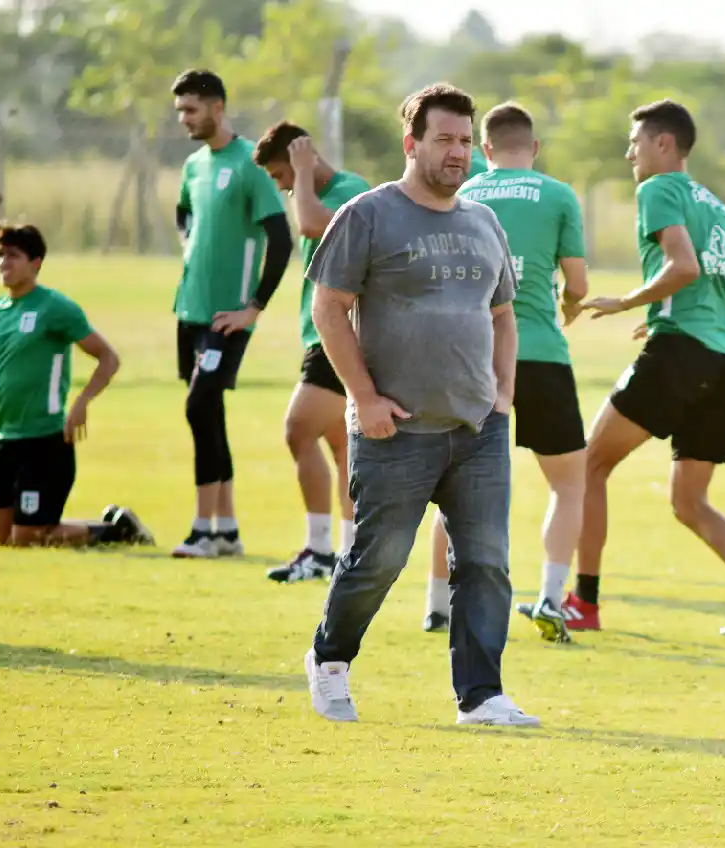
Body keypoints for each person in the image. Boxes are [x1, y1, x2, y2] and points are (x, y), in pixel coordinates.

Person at [302, 83, 538, 727]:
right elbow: (329, 307)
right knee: (378, 558)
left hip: (478, 428)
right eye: (445, 139)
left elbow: (503, 314)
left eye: (466, 140)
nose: (459, 152)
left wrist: (503, 394)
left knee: (486, 563)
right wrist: (364, 397)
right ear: (412, 144)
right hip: (394, 430)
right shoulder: (368, 215)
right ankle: (328, 660)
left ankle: (482, 697)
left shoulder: (484, 220)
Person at [572, 99, 725, 636]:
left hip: (679, 355)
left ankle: (584, 603)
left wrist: (627, 302)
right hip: (722, 362)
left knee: (588, 466)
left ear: (664, 144)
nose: (630, 154)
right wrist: (701, 314)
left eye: (636, 142)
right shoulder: (718, 207)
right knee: (690, 502)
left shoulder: (658, 189)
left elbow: (683, 266)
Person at [422, 102, 589, 643]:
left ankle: (437, 604)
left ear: (484, 149)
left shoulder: (464, 193)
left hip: (471, 353)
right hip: (540, 352)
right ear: (534, 149)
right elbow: (579, 286)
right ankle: (549, 597)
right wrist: (566, 305)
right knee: (568, 484)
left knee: (455, 481)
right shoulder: (559, 195)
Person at [170, 68, 293, 559]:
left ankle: (202, 529)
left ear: (218, 107)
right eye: (179, 111)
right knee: (208, 415)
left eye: (191, 110)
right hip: (189, 310)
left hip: (227, 318)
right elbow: (183, 213)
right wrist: (191, 245)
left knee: (198, 407)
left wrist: (254, 308)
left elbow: (281, 240)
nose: (184, 119)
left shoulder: (249, 165)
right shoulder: (194, 165)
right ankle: (227, 532)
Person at [252, 121, 372, 583]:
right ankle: (343, 554)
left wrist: (301, 173)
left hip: (338, 332)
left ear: (301, 157)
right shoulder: (306, 191)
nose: (282, 185)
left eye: (280, 174)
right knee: (342, 447)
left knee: (298, 428)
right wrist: (299, 177)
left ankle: (321, 550)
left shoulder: (352, 188)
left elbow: (312, 223)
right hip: (317, 333)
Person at [0, 223, 153, 548]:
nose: (4, 262)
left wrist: (81, 402)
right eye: (0, 255)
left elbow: (108, 357)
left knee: (27, 538)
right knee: (6, 538)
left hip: (45, 440)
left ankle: (117, 531)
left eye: (14, 255)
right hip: (5, 439)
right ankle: (113, 525)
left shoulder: (54, 307)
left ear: (36, 263)